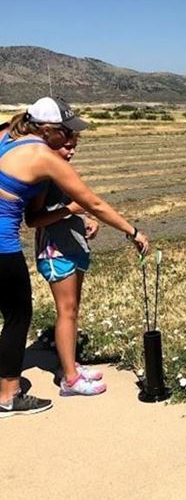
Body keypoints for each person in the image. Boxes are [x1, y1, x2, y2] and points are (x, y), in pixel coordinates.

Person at [0, 97, 148, 418]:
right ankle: (9, 395)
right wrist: (132, 231)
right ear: (49, 130)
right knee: (16, 318)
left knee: (16, 315)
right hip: (3, 245)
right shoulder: (43, 156)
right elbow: (92, 202)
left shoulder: (7, 136)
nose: (70, 140)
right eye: (66, 132)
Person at [25, 131, 106, 396]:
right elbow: (34, 219)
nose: (71, 152)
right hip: (55, 251)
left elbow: (79, 203)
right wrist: (71, 210)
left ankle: (68, 365)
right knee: (66, 311)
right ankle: (70, 380)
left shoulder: (63, 171)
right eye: (66, 147)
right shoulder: (45, 177)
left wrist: (88, 218)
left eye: (74, 147)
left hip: (71, 246)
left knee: (72, 310)